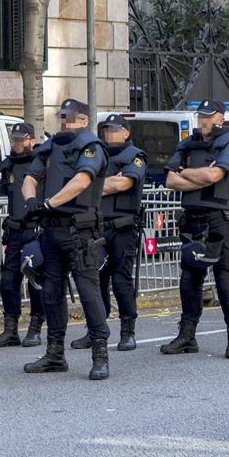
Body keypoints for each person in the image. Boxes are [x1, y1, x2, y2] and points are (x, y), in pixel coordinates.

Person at [21, 99, 111, 380]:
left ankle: (100, 356)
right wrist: (32, 200)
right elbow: (29, 177)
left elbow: (82, 181)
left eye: (71, 118)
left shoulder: (92, 147)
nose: (65, 122)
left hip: (80, 232)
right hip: (51, 231)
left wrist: (48, 204)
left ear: (84, 121)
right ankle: (55, 355)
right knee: (50, 293)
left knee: (88, 293)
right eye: (62, 117)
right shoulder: (50, 147)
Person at [161, 99, 229, 359]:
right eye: (200, 116)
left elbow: (214, 176)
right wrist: (196, 175)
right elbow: (170, 180)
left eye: (208, 116)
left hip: (220, 219)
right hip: (193, 219)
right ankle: (187, 337)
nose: (203, 120)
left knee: (224, 280)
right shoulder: (187, 144)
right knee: (189, 280)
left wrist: (186, 173)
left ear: (220, 117)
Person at [70, 115, 147, 352]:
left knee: (121, 280)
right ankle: (95, 330)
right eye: (106, 130)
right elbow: (83, 183)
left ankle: (128, 332)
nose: (109, 134)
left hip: (123, 228)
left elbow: (123, 184)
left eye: (114, 130)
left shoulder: (135, 156)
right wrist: (105, 183)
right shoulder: (97, 153)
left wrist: (90, 187)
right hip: (96, 226)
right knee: (95, 280)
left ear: (125, 132)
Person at [0, 123, 45, 348]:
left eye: (22, 139)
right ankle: (10, 330)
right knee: (8, 282)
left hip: (35, 231)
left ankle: (35, 329)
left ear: (32, 140)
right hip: (14, 230)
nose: (18, 144)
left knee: (35, 282)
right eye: (15, 140)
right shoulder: (8, 164)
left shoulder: (41, 162)